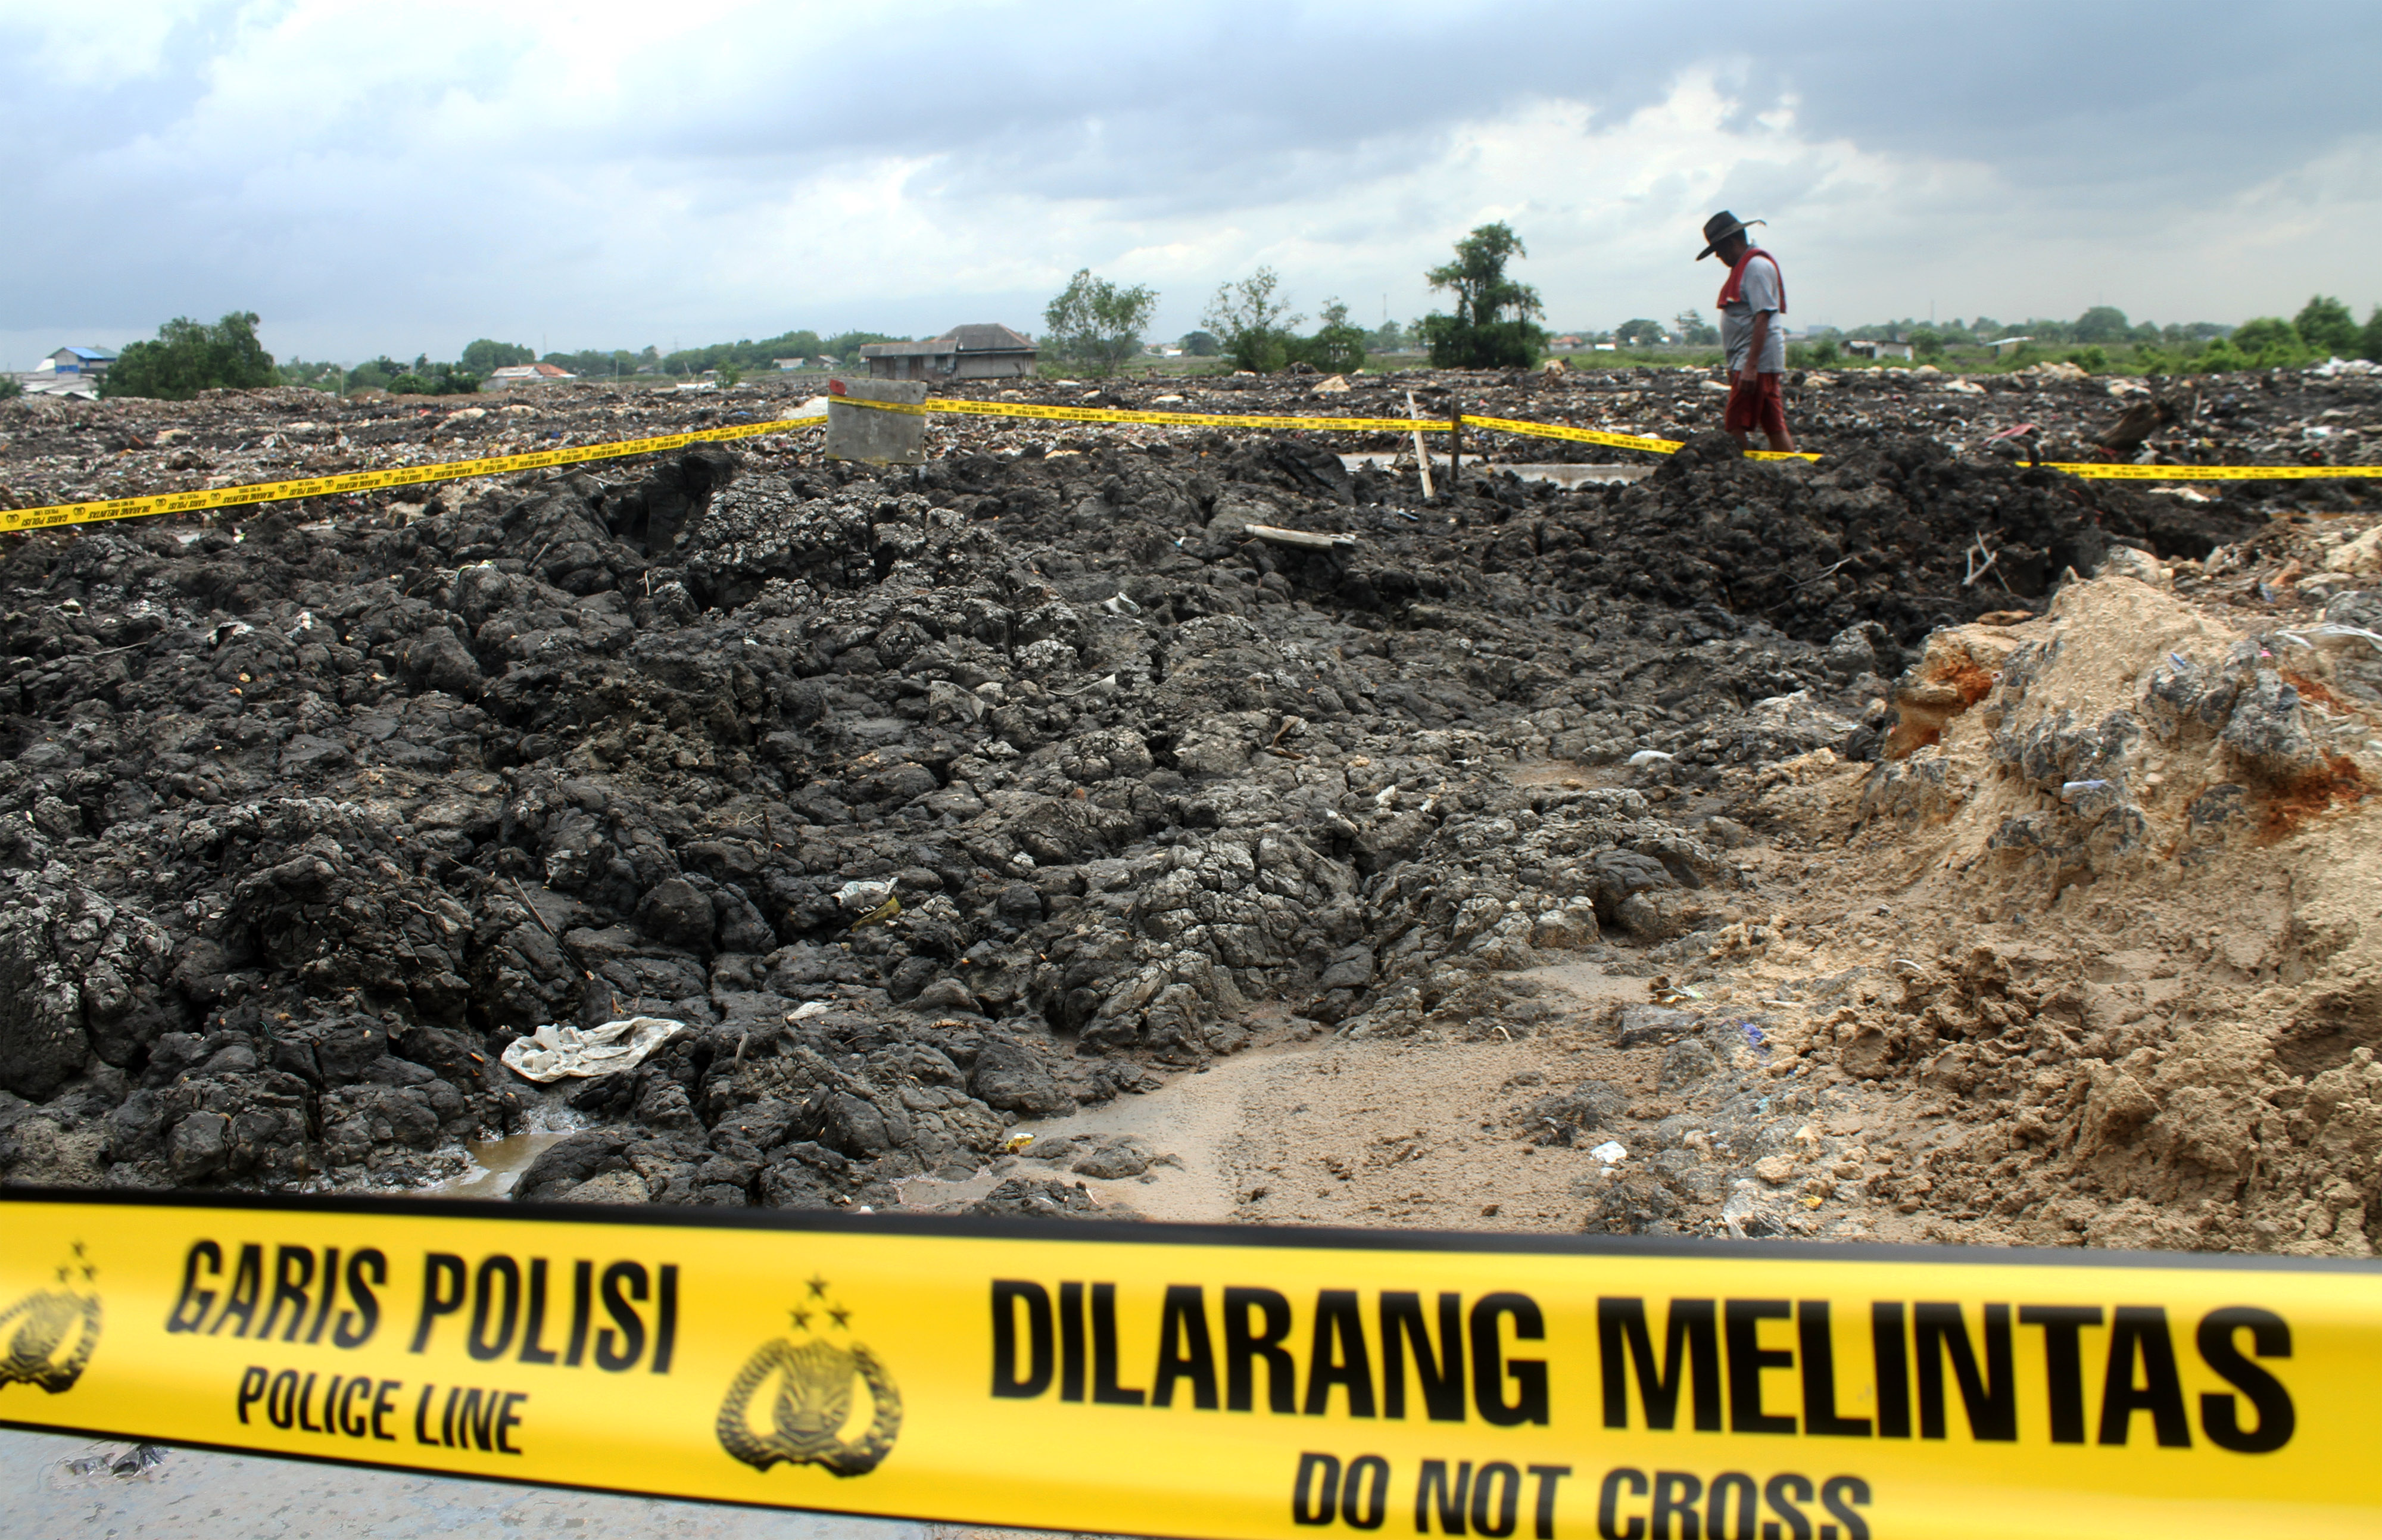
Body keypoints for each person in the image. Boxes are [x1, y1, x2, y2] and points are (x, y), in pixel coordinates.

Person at [1697, 210, 1795, 454]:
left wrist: (1750, 366)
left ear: (1732, 242)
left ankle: (1738, 476)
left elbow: (1763, 316)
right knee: (1773, 425)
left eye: (1719, 251)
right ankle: (1795, 471)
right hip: (1755, 362)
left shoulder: (1756, 267)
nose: (1719, 257)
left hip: (1756, 363)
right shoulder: (1747, 267)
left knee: (1735, 424)